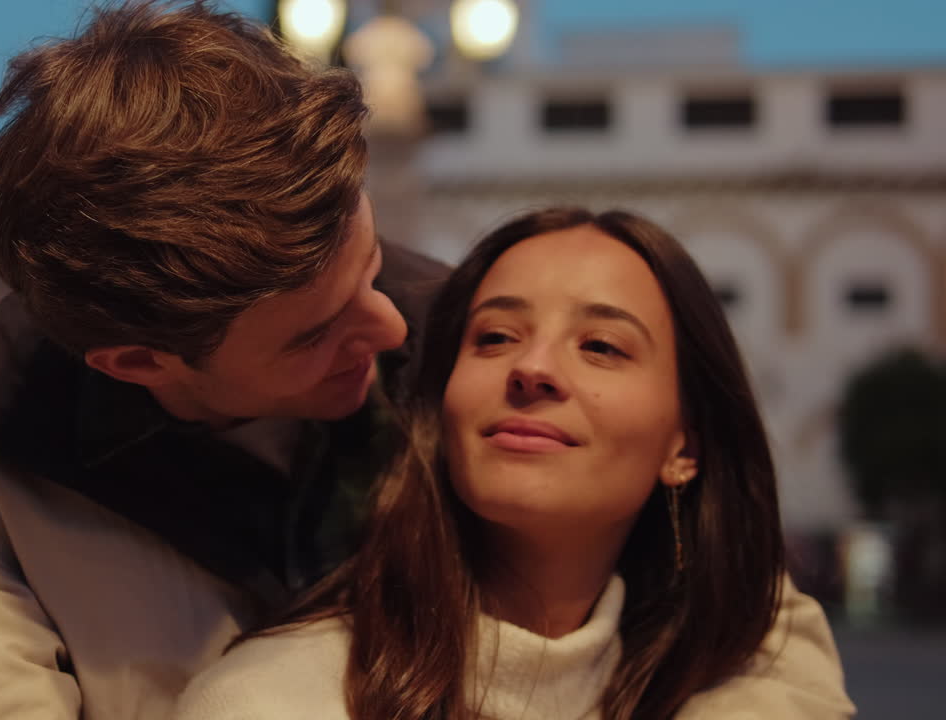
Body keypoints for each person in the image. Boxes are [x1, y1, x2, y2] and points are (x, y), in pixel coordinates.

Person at [0, 3, 844, 718]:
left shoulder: (469, 338)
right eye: (314, 334)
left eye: (370, 263)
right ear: (138, 360)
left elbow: (741, 608)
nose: (395, 330)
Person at [174, 208, 857, 719]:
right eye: (495, 337)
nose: (533, 369)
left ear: (685, 448)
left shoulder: (743, 681)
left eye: (602, 346)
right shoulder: (278, 700)